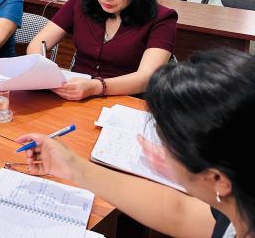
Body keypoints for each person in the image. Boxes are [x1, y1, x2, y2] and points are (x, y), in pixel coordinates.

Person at [17, 48, 255, 238]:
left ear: (217, 180)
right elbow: (180, 213)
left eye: (166, 143)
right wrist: (72, 166)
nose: (161, 151)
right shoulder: (238, 207)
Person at [27, 0, 177, 100]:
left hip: (125, 101)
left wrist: (96, 87)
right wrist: (45, 70)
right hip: (73, 96)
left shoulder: (162, 18)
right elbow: (37, 43)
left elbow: (147, 77)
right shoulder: (79, 1)